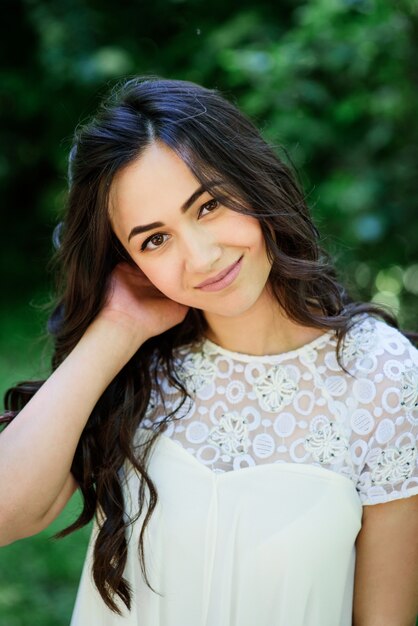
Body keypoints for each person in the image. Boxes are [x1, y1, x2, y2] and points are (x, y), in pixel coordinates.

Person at [1, 76, 417, 626]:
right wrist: (116, 330)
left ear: (254, 181)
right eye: (155, 239)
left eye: (209, 206)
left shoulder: (383, 376)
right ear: (128, 260)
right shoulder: (138, 365)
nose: (200, 258)